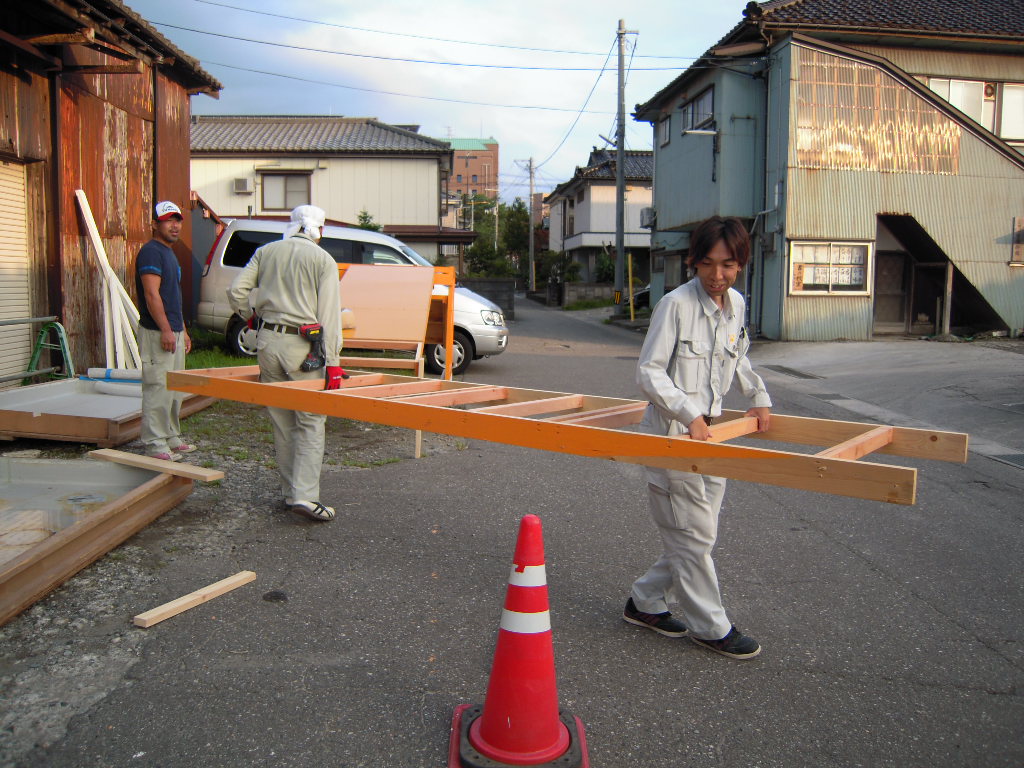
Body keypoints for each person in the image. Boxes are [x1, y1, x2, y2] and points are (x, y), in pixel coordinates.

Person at [623, 215, 772, 660]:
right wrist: (688, 414)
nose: (717, 275)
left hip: (714, 434)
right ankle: (712, 626)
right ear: (693, 262)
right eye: (707, 264)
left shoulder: (737, 305)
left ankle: (645, 602)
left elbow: (739, 356)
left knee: (699, 534)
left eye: (727, 265)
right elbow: (648, 372)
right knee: (690, 534)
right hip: (672, 435)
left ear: (741, 264)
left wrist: (758, 394)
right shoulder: (675, 305)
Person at [226, 205, 345, 522]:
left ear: (291, 225)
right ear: (319, 230)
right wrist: (333, 362)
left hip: (268, 343)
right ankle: (305, 496)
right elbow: (329, 316)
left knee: (282, 421)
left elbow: (236, 290)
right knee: (310, 420)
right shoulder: (323, 260)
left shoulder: (266, 252)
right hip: (304, 348)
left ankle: (290, 492)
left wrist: (250, 316)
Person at [136, 200, 195, 462]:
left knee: (174, 388)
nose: (175, 225)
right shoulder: (151, 252)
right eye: (168, 220)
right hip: (156, 332)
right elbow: (152, 294)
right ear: (154, 224)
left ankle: (170, 435)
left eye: (178, 220)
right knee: (157, 386)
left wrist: (182, 329)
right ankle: (154, 442)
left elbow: (173, 296)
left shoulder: (169, 253)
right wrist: (165, 330)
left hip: (173, 331)